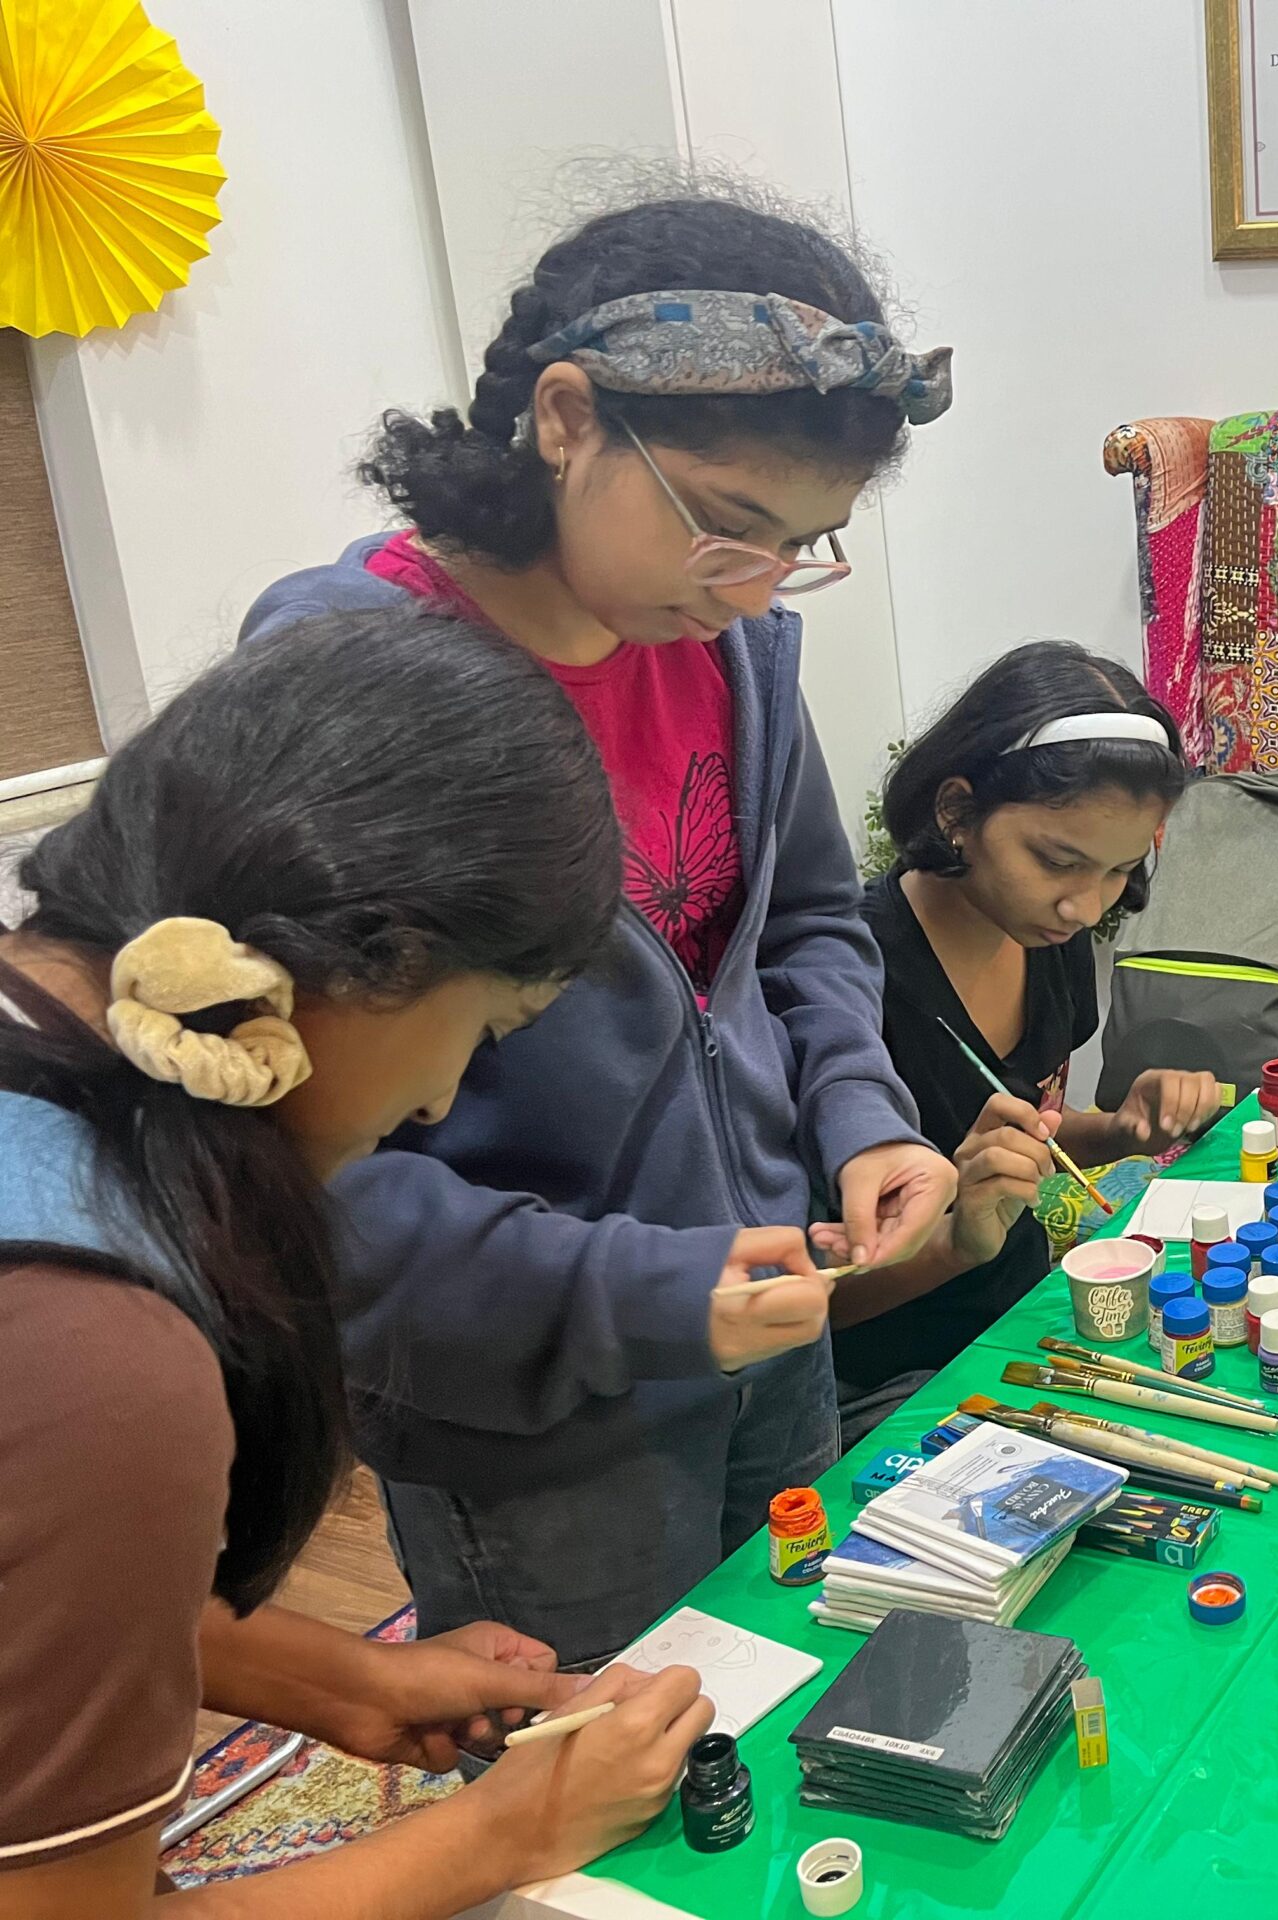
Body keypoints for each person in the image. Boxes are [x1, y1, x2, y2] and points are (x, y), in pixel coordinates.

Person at [237, 193, 960, 1664]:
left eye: (802, 544)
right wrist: (642, 1292)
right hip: (531, 1393)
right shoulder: (350, 687)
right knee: (588, 1766)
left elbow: (806, 924)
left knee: (784, 1702)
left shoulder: (729, 650)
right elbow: (287, 1155)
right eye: (727, 526)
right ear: (565, 418)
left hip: (770, 1311)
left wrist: (860, 1115)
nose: (754, 588)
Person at [0, 609, 717, 1918]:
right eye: (484, 1031)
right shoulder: (99, 1351)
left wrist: (342, 1679)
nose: (440, 1100)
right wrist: (500, 1836)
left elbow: (39, 1578)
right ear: (371, 959)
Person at [830, 641, 1222, 1432]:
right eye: (1057, 861)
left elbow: (1028, 1128)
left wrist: (1119, 1130)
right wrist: (955, 1242)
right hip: (888, 1382)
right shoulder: (843, 982)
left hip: (1020, 1326)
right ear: (956, 813)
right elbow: (803, 1302)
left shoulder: (1045, 934)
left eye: (1117, 870)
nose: (1085, 906)